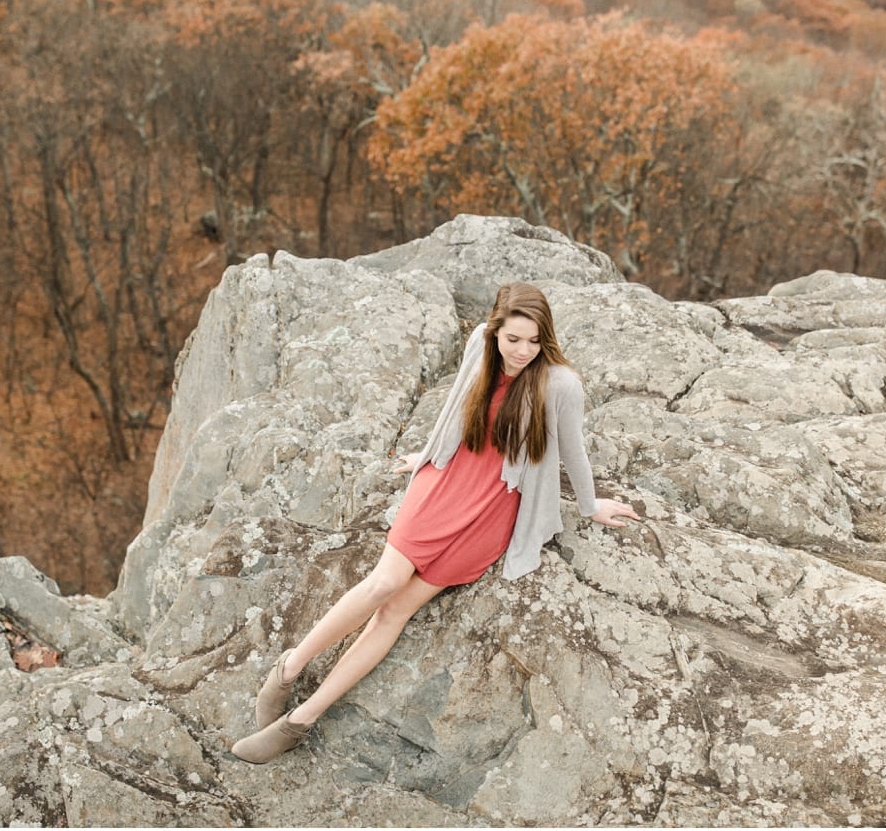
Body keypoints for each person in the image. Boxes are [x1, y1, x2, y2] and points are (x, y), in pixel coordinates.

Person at [230, 281, 639, 763]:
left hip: (490, 507)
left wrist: (591, 506)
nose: (523, 351)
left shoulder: (560, 384)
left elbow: (574, 449)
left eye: (534, 340)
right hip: (445, 482)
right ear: (495, 331)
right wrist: (424, 454)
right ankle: (289, 668)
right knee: (382, 584)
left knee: (394, 612)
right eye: (513, 339)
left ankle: (299, 722)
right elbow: (454, 409)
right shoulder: (479, 347)